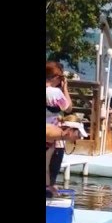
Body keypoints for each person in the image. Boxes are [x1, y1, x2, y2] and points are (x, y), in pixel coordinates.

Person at [46, 62, 73, 194]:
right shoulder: (55, 92)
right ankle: (50, 187)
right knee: (53, 163)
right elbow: (68, 108)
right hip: (54, 133)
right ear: (55, 78)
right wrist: (65, 89)